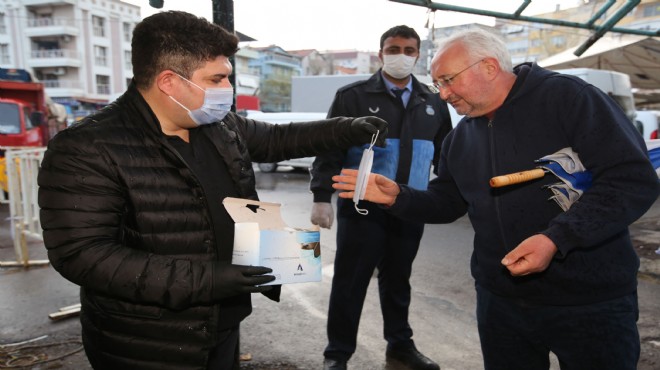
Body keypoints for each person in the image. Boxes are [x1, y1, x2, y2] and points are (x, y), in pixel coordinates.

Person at [37, 11, 387, 370]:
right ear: (169, 82)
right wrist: (208, 280)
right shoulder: (86, 147)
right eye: (217, 78)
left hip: (221, 323)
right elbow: (82, 254)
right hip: (146, 342)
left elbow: (280, 138)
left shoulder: (217, 123)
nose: (227, 90)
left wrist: (347, 128)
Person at [331, 28, 660, 370]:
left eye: (448, 80)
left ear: (488, 67)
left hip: (590, 303)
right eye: (437, 84)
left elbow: (630, 180)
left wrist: (556, 239)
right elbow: (448, 202)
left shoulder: (569, 98)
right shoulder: (460, 138)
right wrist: (399, 197)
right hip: (501, 304)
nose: (442, 94)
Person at [310, 25, 452, 370]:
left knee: (398, 281)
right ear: (380, 53)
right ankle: (337, 355)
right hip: (362, 208)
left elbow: (446, 153)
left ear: (418, 55)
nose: (401, 55)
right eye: (393, 48)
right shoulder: (353, 96)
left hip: (411, 206)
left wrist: (454, 194)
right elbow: (330, 146)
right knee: (350, 281)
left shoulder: (433, 99)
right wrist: (321, 196)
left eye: (408, 49)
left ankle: (400, 346)